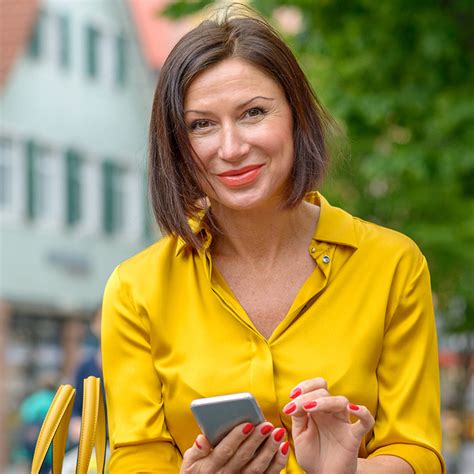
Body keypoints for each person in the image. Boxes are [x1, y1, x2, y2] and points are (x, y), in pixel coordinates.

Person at [101, 6, 444, 473]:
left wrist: (346, 470)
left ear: (296, 115)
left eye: (254, 113)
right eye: (202, 124)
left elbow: (416, 451)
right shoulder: (135, 288)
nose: (232, 148)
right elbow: (134, 455)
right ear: (177, 144)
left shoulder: (391, 264)